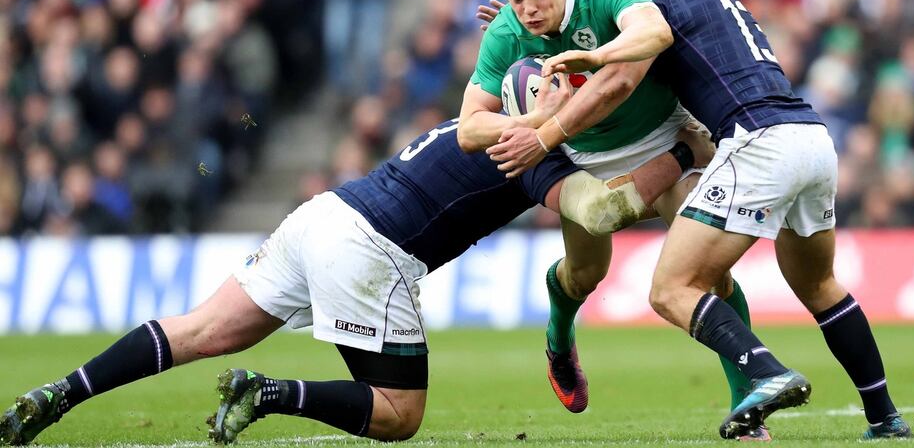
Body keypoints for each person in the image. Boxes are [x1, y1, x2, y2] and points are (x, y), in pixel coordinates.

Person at [0, 108, 710, 446]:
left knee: (199, 329)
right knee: (400, 415)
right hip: (372, 249)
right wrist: (679, 153)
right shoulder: (531, 149)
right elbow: (606, 208)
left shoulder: (484, 110)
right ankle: (270, 392)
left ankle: (60, 394)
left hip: (324, 214)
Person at [542, 0, 911, 440]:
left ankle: (766, 373)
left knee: (670, 289)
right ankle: (885, 418)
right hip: (810, 138)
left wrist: (553, 114)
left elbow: (618, 80)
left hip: (758, 143)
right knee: (820, 285)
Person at [459, 0, 757, 424]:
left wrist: (598, 57)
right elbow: (469, 128)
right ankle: (559, 338)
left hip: (661, 134)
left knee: (707, 274)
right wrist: (533, 123)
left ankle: (749, 407)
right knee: (584, 274)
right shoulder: (507, 32)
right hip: (580, 154)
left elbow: (654, 32)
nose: (528, 9)